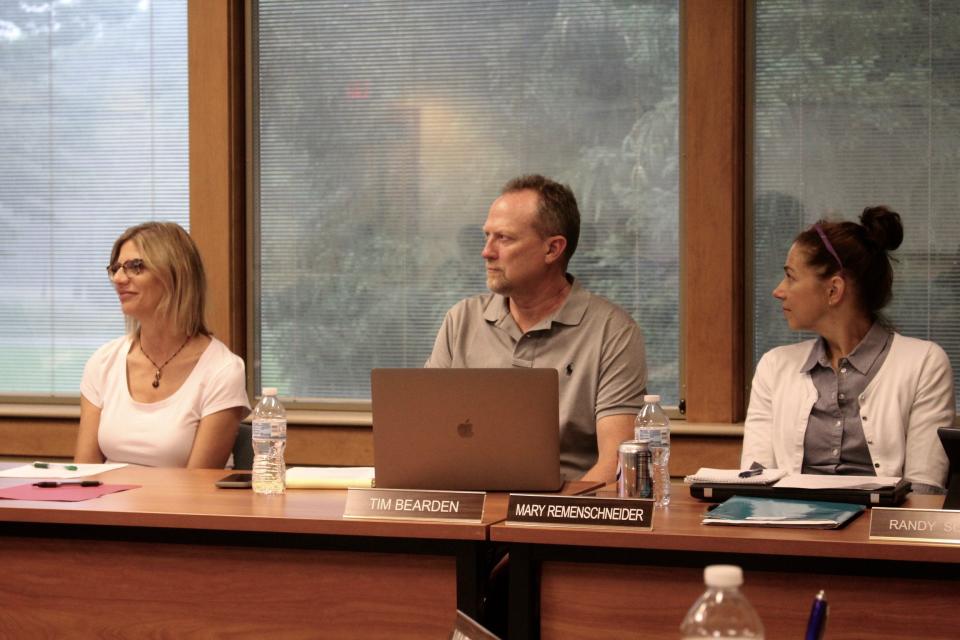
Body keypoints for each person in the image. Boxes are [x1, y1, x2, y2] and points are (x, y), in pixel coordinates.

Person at [426, 175, 647, 482]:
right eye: (486, 236)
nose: (486, 252)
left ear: (552, 249)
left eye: (504, 238)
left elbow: (616, 466)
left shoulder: (613, 332)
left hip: (564, 512)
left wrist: (545, 518)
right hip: (470, 507)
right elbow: (426, 440)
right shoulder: (460, 320)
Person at [742, 206, 955, 492]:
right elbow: (754, 481)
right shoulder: (774, 366)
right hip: (790, 529)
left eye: (791, 277)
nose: (779, 291)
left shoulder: (924, 363)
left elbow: (924, 489)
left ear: (834, 290)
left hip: (880, 532)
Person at [75, 222, 250, 468]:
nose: (118, 278)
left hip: (178, 506)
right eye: (115, 268)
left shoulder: (223, 370)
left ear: (176, 275)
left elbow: (197, 487)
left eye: (135, 267)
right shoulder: (103, 362)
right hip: (108, 504)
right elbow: (85, 474)